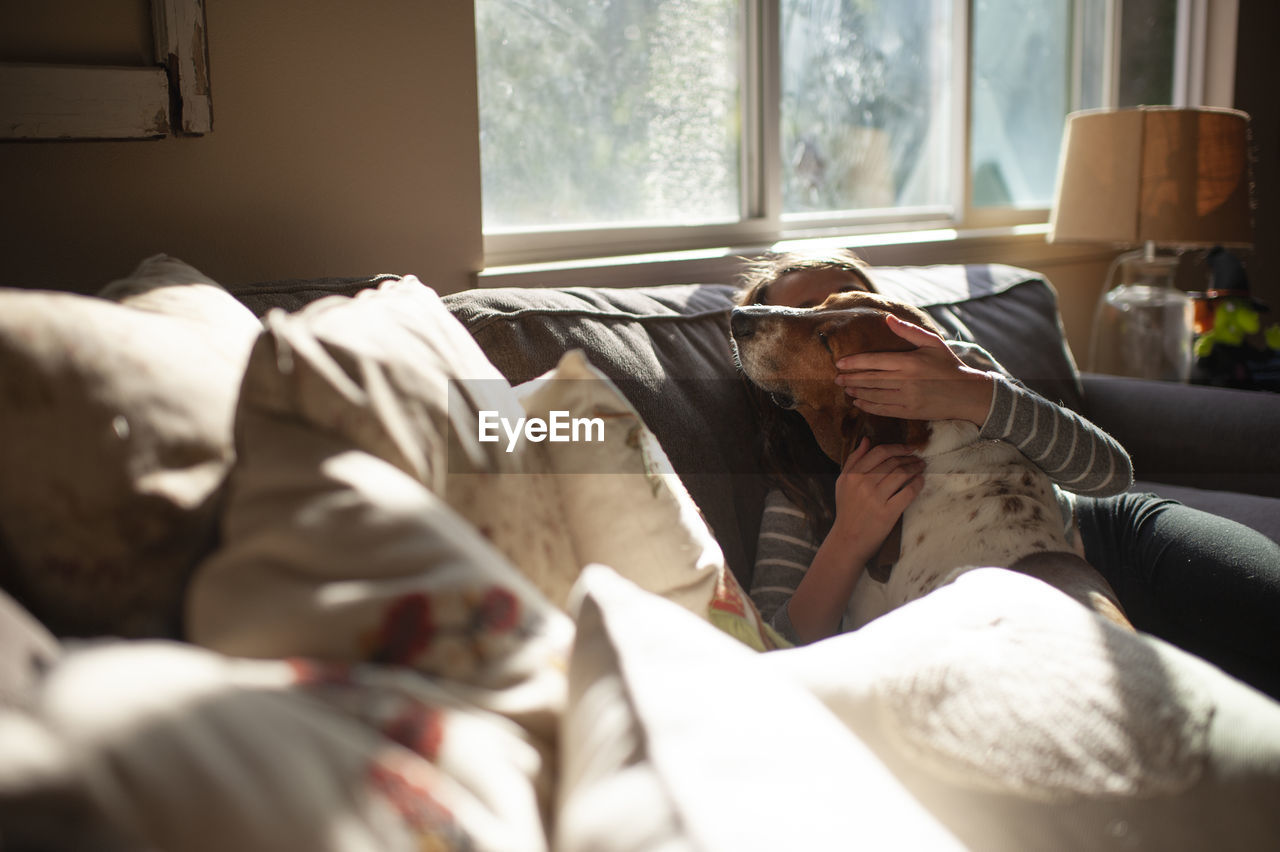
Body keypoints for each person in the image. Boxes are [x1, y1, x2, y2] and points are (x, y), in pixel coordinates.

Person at [737, 249, 1280, 699]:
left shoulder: (962, 363)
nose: (808, 326)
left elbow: (1110, 472)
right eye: (799, 317)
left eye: (841, 309)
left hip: (1107, 538)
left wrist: (976, 392)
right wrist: (849, 538)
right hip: (998, 615)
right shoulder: (798, 482)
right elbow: (767, 650)